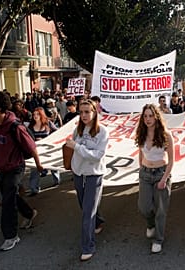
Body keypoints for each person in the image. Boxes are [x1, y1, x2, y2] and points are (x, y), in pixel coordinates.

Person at [0, 91, 43, 251]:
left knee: (8, 202)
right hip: (0, 167)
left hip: (15, 167)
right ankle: (29, 213)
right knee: (12, 196)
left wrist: (38, 164)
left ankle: (10, 236)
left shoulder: (15, 126)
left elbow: (31, 147)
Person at [65, 99, 108, 261]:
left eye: (87, 112)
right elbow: (74, 150)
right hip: (78, 173)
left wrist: (76, 147)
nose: (83, 115)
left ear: (94, 112)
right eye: (81, 112)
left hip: (94, 175)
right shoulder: (77, 130)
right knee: (84, 205)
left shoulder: (102, 131)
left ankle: (87, 246)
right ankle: (98, 222)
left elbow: (97, 156)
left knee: (87, 212)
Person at [134, 104, 174, 254]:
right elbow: (140, 153)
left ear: (156, 116)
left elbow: (171, 161)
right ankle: (150, 224)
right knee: (143, 207)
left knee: (161, 210)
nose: (148, 119)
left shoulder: (166, 135)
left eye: (151, 116)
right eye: (145, 116)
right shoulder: (141, 133)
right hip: (145, 174)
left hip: (161, 174)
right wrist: (141, 169)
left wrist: (164, 178)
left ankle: (158, 239)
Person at [27, 107, 60, 196]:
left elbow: (57, 132)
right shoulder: (30, 126)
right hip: (36, 151)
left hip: (48, 150)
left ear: (41, 115)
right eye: (34, 114)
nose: (35, 116)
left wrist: (48, 140)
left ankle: (57, 181)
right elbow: (27, 138)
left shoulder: (48, 123)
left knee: (53, 167)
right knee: (34, 169)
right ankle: (34, 189)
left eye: (37, 114)